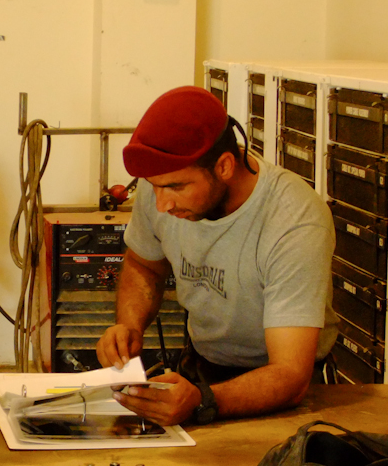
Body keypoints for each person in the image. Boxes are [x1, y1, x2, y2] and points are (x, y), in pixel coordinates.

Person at [96, 85, 337, 426]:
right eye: (153, 187)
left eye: (176, 188)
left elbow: (290, 374)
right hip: (202, 368)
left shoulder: (293, 220)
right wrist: (128, 327)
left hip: (288, 390)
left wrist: (204, 401)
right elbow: (144, 264)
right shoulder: (162, 188)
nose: (162, 205)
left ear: (224, 166)